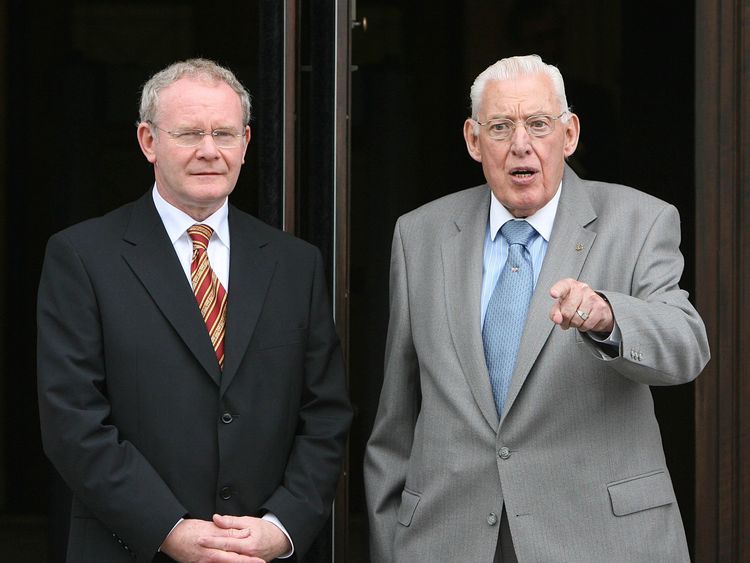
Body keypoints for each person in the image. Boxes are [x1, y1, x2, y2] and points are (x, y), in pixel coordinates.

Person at [364, 54, 709, 562]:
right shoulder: (419, 235)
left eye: (538, 124)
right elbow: (395, 418)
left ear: (569, 135)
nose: (520, 143)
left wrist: (609, 317)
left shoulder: (641, 220)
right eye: (500, 126)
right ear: (473, 140)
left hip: (600, 541)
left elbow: (686, 345)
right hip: (450, 540)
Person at [37, 58, 352, 563]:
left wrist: (282, 526)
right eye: (189, 134)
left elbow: (326, 414)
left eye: (224, 134)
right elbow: (72, 421)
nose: (210, 151)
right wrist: (168, 528)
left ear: (246, 143)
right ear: (148, 141)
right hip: (133, 549)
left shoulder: (296, 264)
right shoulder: (83, 257)